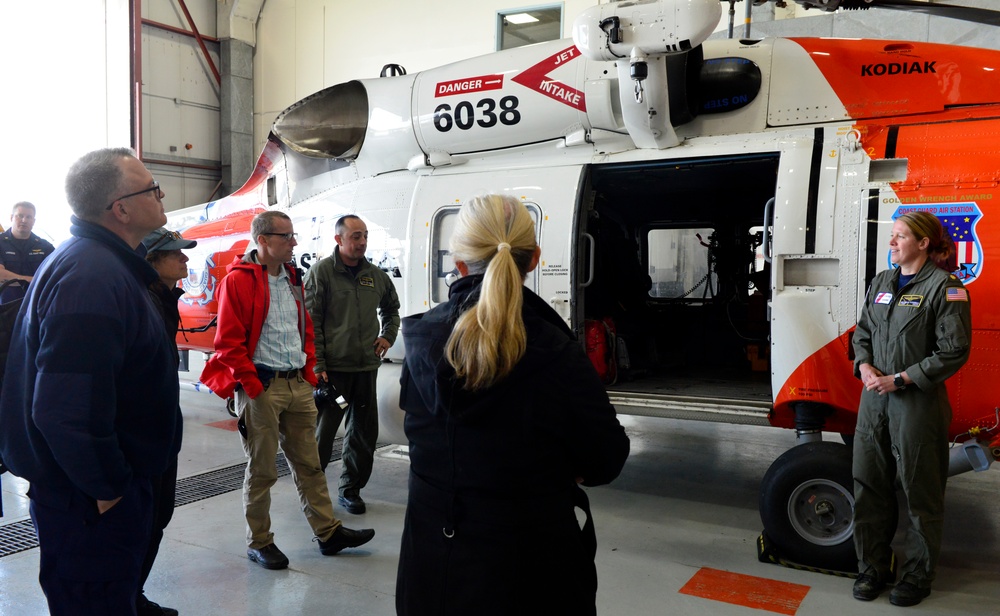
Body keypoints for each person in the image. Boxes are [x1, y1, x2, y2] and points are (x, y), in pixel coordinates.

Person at [395, 194, 631, 615]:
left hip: (434, 565)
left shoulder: (420, 340)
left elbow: (424, 437)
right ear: (534, 259)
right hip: (530, 570)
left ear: (460, 263)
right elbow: (605, 459)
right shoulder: (558, 352)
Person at [0, 148, 182, 615]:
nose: (161, 194)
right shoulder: (92, 276)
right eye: (150, 188)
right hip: (88, 500)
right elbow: (64, 409)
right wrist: (108, 489)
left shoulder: (103, 264)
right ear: (119, 208)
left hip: (95, 493)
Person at [199, 211, 374, 570]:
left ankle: (328, 533)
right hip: (262, 388)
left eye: (293, 236)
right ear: (263, 241)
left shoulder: (293, 278)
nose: (294, 243)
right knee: (262, 471)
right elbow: (228, 343)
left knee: (310, 465)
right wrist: (252, 385)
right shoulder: (237, 281)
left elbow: (304, 328)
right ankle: (259, 542)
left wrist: (309, 372)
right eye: (286, 237)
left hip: (296, 384)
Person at [851, 210, 972, 607]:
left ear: (922, 243)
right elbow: (863, 331)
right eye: (893, 236)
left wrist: (900, 379)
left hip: (916, 403)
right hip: (874, 401)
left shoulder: (946, 288)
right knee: (869, 484)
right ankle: (872, 567)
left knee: (921, 491)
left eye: (900, 236)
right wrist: (864, 365)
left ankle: (917, 576)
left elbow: (953, 351)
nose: (892, 242)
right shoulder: (882, 282)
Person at [304, 214, 399, 514]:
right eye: (355, 236)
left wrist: (388, 336)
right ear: (339, 240)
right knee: (324, 434)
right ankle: (312, 493)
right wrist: (318, 364)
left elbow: (392, 309)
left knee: (362, 433)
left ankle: (350, 490)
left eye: (365, 236)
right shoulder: (322, 274)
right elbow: (310, 321)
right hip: (334, 376)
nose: (361, 242)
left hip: (365, 372)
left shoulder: (375, 276)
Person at [136, 227, 198, 616]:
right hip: (143, 433)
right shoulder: (142, 302)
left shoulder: (164, 298)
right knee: (144, 520)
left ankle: (133, 595)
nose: (186, 260)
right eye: (177, 254)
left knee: (159, 515)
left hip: (163, 427)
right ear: (152, 260)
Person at [0, 201, 56, 303]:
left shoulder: (45, 246)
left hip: (36, 304)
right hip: (5, 307)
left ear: (34, 221)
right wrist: (31, 280)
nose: (24, 220)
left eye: (29, 217)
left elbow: (55, 274)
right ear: (11, 217)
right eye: (20, 216)